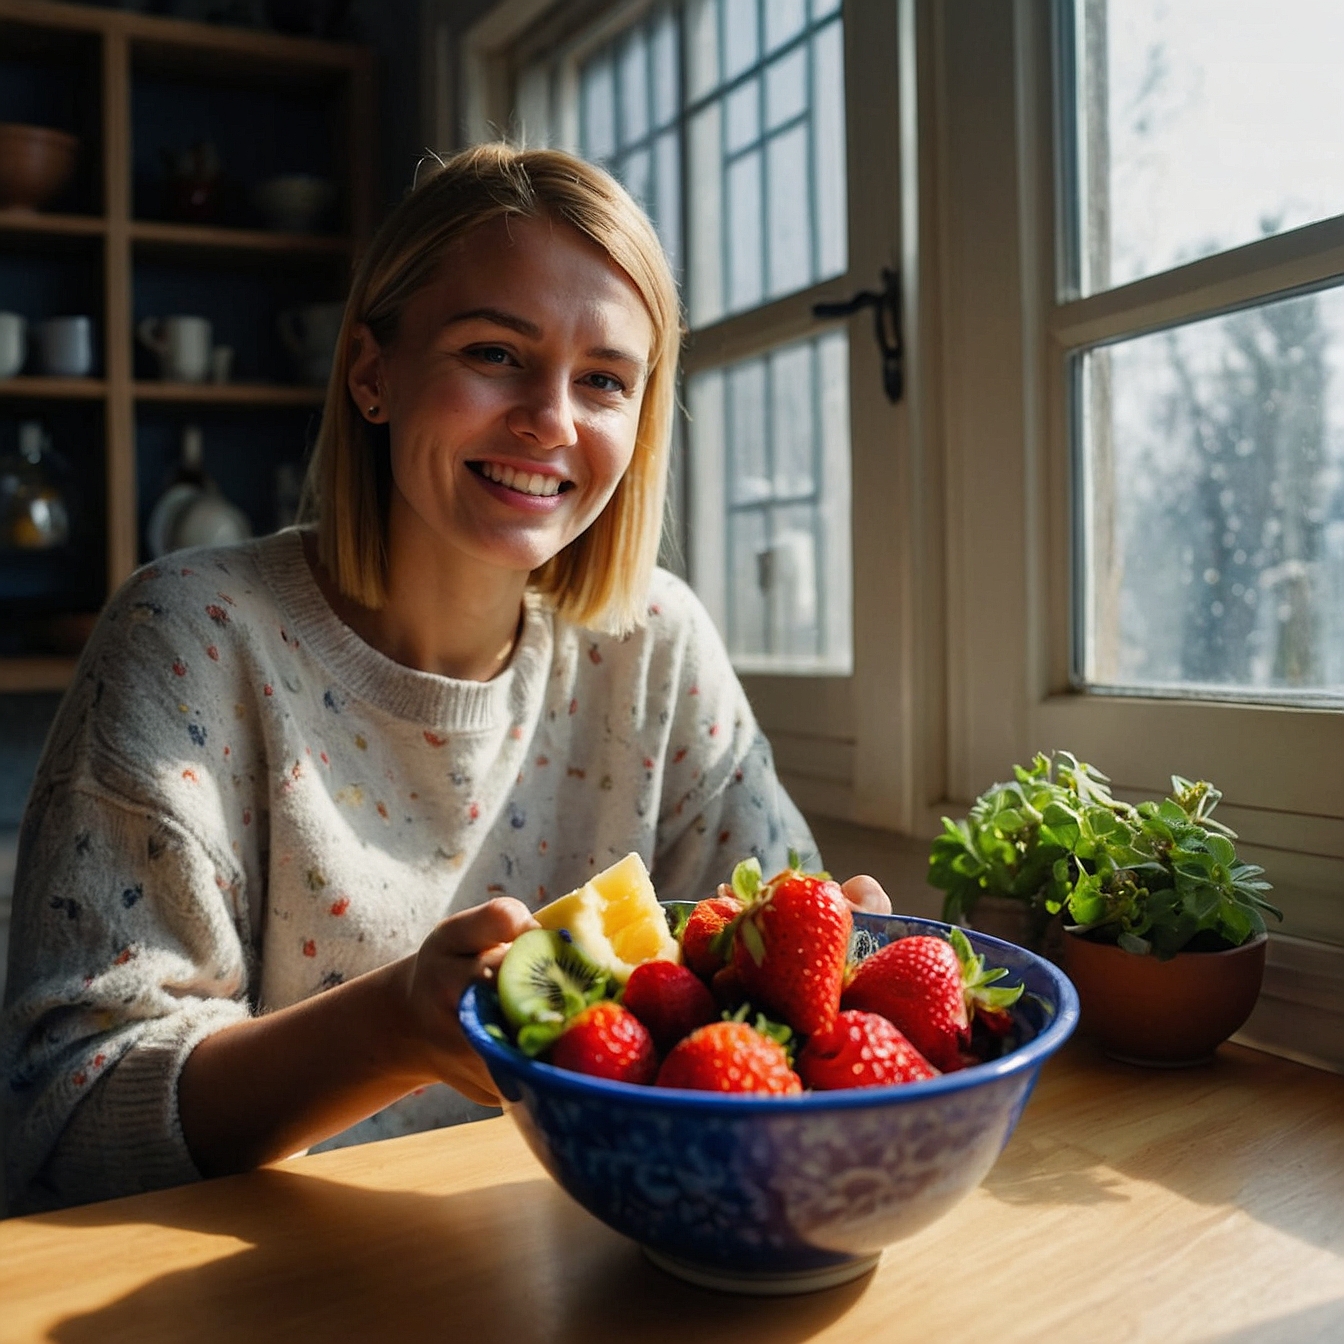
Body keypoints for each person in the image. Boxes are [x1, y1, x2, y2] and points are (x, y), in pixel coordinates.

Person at [0, 144, 892, 1215]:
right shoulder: (190, 638)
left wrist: (843, 968)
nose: (553, 420)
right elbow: (65, 1122)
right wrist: (394, 1028)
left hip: (586, 1253)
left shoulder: (658, 644)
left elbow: (774, 1012)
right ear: (372, 373)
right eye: (494, 353)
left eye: (603, 379)